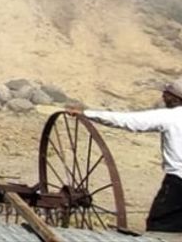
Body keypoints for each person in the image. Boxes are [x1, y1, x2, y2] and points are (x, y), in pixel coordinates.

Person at [69, 79, 182, 232]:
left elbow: (129, 121)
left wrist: (87, 114)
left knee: (160, 227)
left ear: (176, 98)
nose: (163, 97)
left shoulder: (170, 116)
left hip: (178, 183)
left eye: (167, 94)